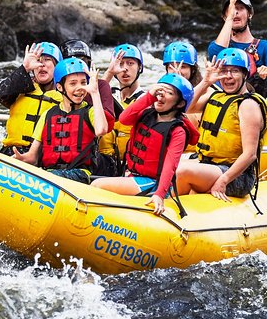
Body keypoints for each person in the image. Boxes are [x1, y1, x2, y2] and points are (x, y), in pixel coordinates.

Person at [176, 48, 267, 201]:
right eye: (224, 71)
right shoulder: (215, 95)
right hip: (209, 165)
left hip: (236, 177)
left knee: (181, 169)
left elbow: (250, 155)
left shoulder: (248, 105)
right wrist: (206, 82)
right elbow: (186, 106)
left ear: (245, 74)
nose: (228, 76)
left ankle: (174, 203)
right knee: (169, 165)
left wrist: (223, 180)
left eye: (234, 71)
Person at [91, 74, 199, 215]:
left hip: (153, 183)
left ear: (180, 103)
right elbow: (124, 119)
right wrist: (149, 96)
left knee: (97, 185)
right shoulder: (145, 114)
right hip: (133, 175)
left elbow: (170, 165)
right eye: (161, 90)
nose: (162, 95)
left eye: (169, 93)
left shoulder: (178, 131)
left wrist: (160, 194)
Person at [13, 58, 108, 184]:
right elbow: (33, 157)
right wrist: (20, 159)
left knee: (49, 178)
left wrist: (95, 93)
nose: (80, 88)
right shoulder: (48, 115)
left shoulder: (90, 111)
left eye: (83, 83)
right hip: (49, 173)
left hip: (80, 174)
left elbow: (101, 129)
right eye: (73, 83)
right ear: (60, 87)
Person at [209, 0, 267, 97]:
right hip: (224, 103)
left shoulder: (266, 47)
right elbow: (216, 53)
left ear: (249, 14)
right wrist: (230, 18)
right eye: (231, 9)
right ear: (224, 17)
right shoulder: (217, 46)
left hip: (251, 104)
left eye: (240, 8)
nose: (235, 12)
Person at [0, 42, 63, 156]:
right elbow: (1, 94)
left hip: (43, 156)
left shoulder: (65, 95)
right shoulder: (22, 86)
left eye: (47, 60)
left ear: (57, 66)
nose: (41, 64)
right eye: (38, 60)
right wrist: (24, 68)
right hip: (13, 151)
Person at [60, 38, 116, 175]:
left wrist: (94, 91)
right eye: (73, 61)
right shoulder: (57, 90)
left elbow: (104, 125)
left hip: (97, 157)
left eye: (83, 61)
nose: (79, 65)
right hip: (64, 154)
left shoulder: (100, 87)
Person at [99, 43, 145, 175]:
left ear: (140, 67)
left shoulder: (148, 100)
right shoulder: (107, 95)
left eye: (130, 63)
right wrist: (109, 72)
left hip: (131, 167)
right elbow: (90, 98)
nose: (124, 69)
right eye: (121, 64)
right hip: (104, 163)